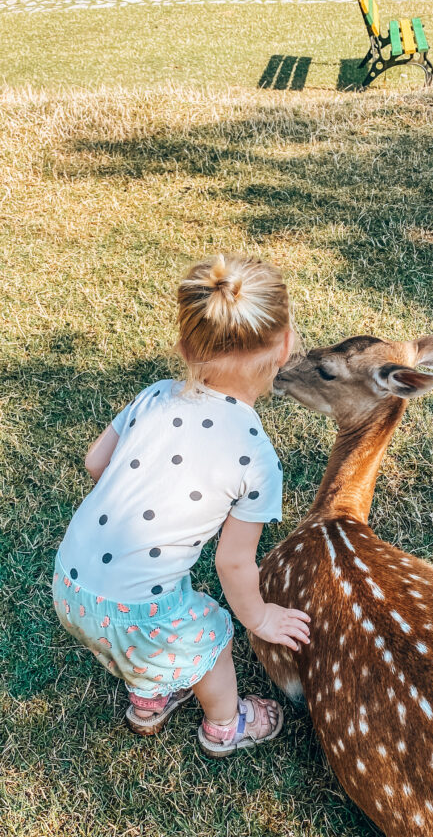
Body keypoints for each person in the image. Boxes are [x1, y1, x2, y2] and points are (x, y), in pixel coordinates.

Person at [52, 254, 310, 756]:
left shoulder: (155, 395)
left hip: (69, 583)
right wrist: (257, 619)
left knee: (141, 634)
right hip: (137, 610)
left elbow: (93, 462)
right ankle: (225, 726)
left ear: (186, 344)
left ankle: (149, 701)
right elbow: (232, 562)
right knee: (209, 635)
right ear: (283, 346)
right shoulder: (256, 459)